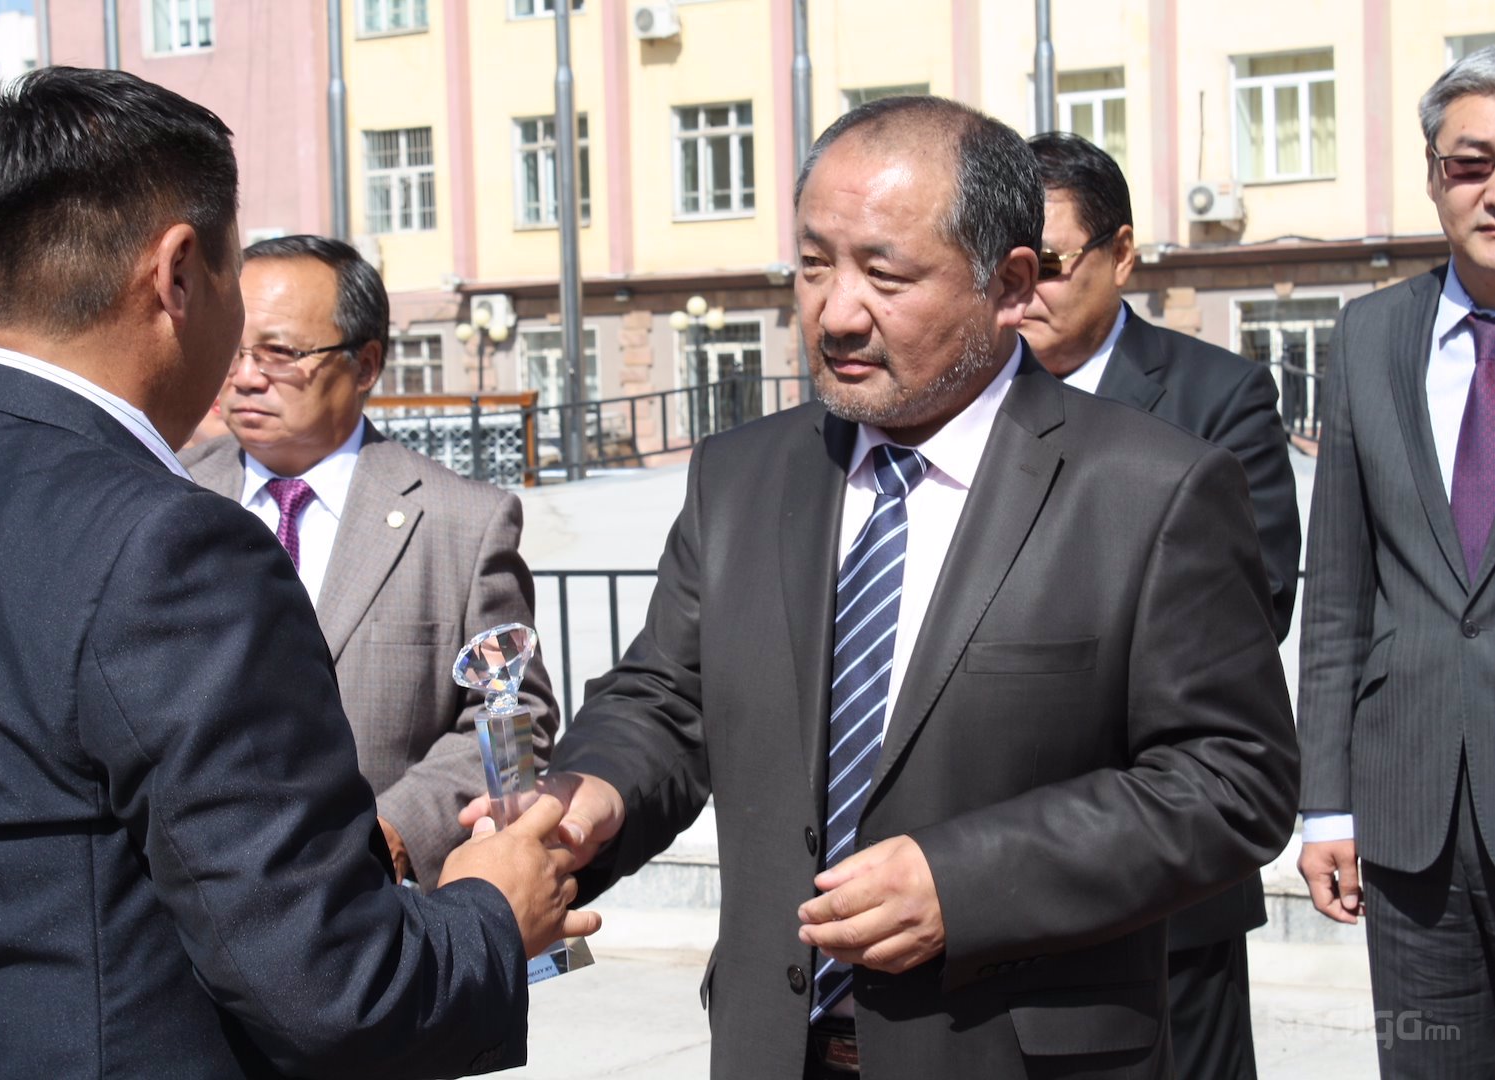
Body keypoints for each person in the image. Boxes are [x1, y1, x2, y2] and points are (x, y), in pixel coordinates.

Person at [487, 95, 1299, 1079]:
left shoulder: (1149, 489)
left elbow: (1231, 781)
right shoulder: (743, 477)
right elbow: (667, 696)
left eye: (885, 274)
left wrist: (964, 882)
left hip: (1014, 1056)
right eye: (813, 264)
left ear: (1010, 283)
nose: (836, 312)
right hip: (773, 1047)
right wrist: (596, 793)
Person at [0, 66, 593, 1078]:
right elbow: (331, 986)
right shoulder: (167, 540)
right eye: (231, 280)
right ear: (179, 273)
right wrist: (492, 909)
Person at [1022, 131, 1300, 1080]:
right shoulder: (964, 397)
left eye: (1047, 263)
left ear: (1121, 254)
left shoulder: (1215, 397)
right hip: (986, 879)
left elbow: (1255, 606)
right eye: (1001, 265)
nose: (1021, 290)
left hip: (1164, 873)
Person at [181, 235, 557, 891]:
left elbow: (514, 720)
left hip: (377, 907)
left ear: (366, 364)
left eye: (280, 354)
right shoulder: (168, 498)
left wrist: (397, 832)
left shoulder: (462, 523)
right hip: (193, 901)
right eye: (235, 349)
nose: (245, 377)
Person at [1298, 44, 1495, 1077]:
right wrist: (1326, 804)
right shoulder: (1370, 335)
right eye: (1472, 164)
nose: (1492, 192)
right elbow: (1336, 592)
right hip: (1411, 816)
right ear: (1433, 174)